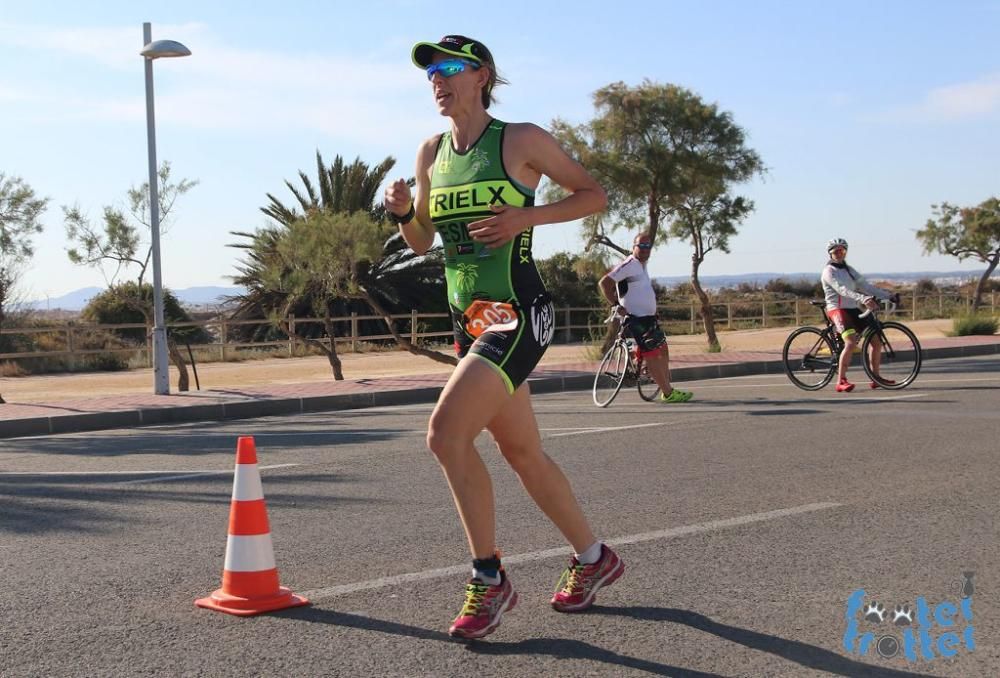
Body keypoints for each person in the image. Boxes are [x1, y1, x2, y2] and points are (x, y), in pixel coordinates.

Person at [383, 35, 624, 640]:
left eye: (449, 69)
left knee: (444, 434)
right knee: (523, 454)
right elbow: (423, 243)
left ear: (482, 75)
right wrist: (404, 213)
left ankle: (489, 580)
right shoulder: (431, 152)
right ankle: (596, 558)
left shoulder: (520, 140)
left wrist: (526, 217)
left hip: (517, 311)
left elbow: (593, 193)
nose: (437, 80)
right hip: (470, 321)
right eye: (431, 72)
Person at [598, 233, 693, 403]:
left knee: (663, 348)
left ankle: (660, 382)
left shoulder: (642, 265)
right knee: (652, 352)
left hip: (648, 318)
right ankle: (668, 392)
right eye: (641, 246)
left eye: (648, 247)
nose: (644, 250)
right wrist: (615, 305)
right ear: (633, 246)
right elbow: (604, 283)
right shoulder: (629, 264)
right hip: (635, 318)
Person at [821, 238, 899, 392]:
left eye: (842, 250)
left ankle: (875, 377)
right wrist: (863, 298)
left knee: (876, 342)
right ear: (830, 254)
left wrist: (888, 295)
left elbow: (866, 286)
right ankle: (840, 381)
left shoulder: (849, 270)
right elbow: (842, 290)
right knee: (850, 343)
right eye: (836, 251)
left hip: (852, 308)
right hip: (837, 309)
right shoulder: (829, 271)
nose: (839, 254)